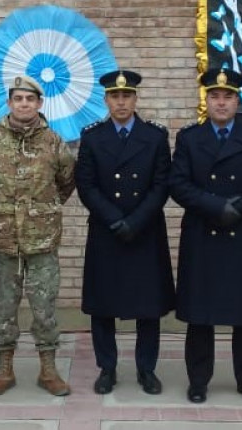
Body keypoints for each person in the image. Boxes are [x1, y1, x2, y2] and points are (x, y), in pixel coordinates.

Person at [170, 68, 242, 405]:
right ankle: (198, 381)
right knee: (200, 315)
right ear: (206, 100)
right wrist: (217, 206)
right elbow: (178, 184)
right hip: (204, 232)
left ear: (237, 100)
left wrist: (240, 207)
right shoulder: (189, 138)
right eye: (215, 96)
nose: (221, 102)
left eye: (228, 96)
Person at [0, 75, 76, 397]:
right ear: (10, 103)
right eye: (18, 99)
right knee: (4, 307)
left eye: (30, 99)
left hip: (42, 241)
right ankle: (4, 370)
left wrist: (41, 211)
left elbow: (66, 182)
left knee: (44, 307)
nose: (24, 104)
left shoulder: (54, 142)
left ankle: (48, 369)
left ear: (40, 103)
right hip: (4, 243)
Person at [75, 70, 175, 396]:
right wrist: (115, 219)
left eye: (127, 96)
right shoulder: (91, 136)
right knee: (103, 305)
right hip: (107, 232)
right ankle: (108, 367)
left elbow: (162, 184)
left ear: (135, 98)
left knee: (148, 305)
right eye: (115, 97)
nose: (121, 102)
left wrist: (136, 220)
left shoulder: (156, 136)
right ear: (106, 100)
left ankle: (147, 368)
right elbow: (86, 185)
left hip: (144, 232)